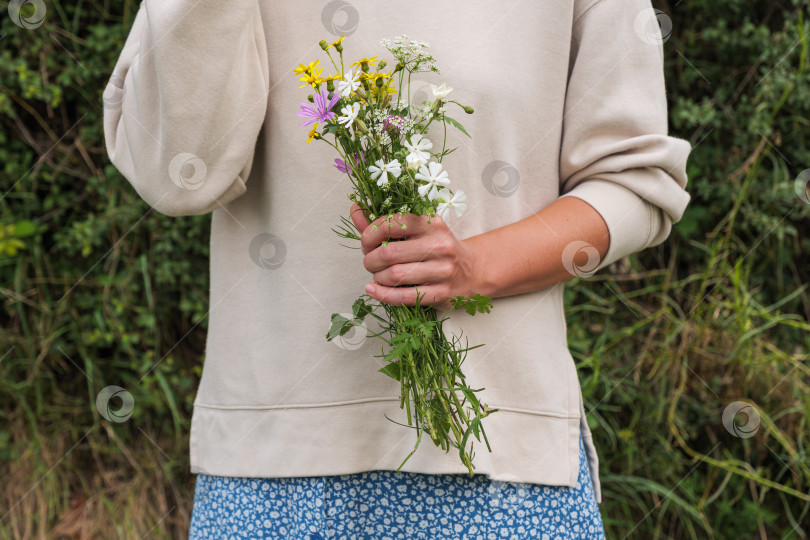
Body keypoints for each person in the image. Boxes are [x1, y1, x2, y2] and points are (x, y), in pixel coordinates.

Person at [103, 0, 691, 537]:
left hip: (495, 462)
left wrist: (472, 267)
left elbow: (632, 183)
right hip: (275, 462)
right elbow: (177, 176)